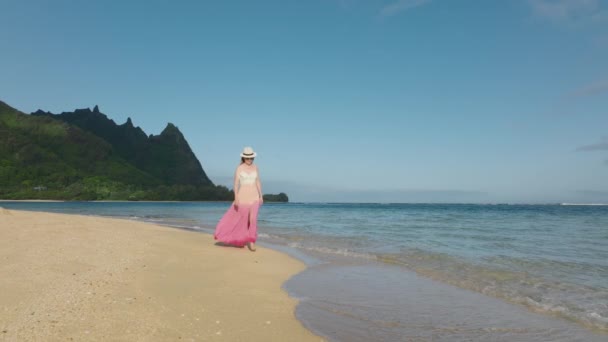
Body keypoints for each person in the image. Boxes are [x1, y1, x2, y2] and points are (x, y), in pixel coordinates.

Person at [214, 146, 263, 251]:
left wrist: (261, 195)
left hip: (254, 197)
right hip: (243, 198)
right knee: (242, 220)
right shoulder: (239, 168)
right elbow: (236, 184)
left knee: (253, 220)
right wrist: (236, 197)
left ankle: (251, 242)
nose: (249, 160)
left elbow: (258, 181)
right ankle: (241, 239)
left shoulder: (256, 167)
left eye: (251, 158)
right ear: (244, 158)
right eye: (247, 158)